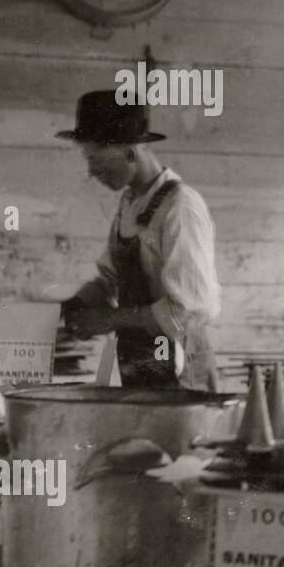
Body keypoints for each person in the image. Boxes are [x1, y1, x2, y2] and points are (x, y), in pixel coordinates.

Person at [57, 90, 221, 391]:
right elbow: (110, 280)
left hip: (182, 375)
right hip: (143, 367)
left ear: (131, 152)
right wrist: (75, 304)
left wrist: (109, 319)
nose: (91, 172)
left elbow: (190, 310)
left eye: (96, 159)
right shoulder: (130, 203)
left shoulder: (180, 206)